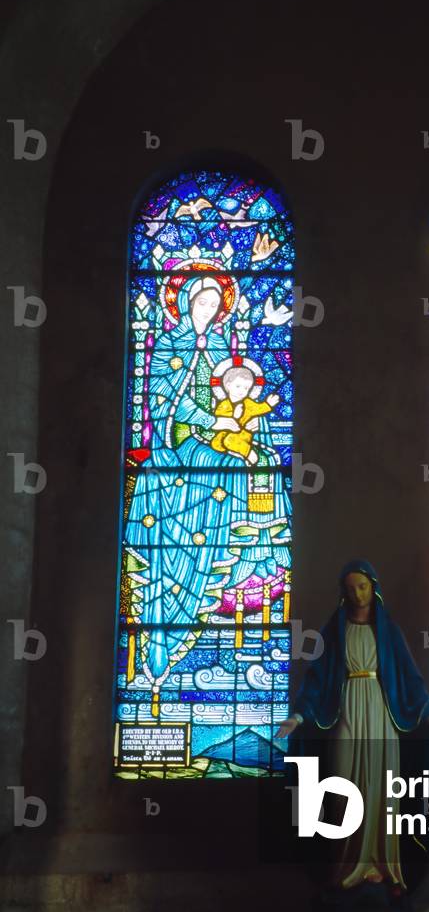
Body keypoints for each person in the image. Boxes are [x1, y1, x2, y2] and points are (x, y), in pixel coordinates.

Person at [276, 560, 429, 903]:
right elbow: (317, 679)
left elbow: (410, 679)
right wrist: (297, 716)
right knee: (344, 788)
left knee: (383, 792)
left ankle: (385, 868)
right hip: (346, 710)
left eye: (363, 587)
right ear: (343, 592)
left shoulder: (388, 632)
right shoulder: (334, 631)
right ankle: (346, 868)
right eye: (351, 588)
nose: (358, 594)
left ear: (373, 588)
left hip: (380, 714)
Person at [125, 276, 249, 697]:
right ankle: (158, 640)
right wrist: (210, 420)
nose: (208, 311)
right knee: (211, 464)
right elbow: (162, 398)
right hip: (173, 444)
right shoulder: (167, 343)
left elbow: (232, 392)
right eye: (202, 303)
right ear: (185, 303)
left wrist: (229, 418)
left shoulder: (220, 345)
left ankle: (218, 548)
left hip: (211, 440)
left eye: (215, 305)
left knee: (233, 463)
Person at [210, 364, 280, 465]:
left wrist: (268, 404)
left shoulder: (248, 403)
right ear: (228, 386)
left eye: (246, 388)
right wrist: (234, 416)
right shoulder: (223, 405)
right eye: (238, 386)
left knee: (230, 440)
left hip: (243, 435)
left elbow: (259, 409)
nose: (241, 391)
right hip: (222, 436)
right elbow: (219, 418)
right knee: (218, 443)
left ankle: (249, 453)